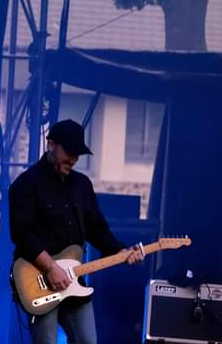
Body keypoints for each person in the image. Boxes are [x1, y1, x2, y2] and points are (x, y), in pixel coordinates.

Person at [9, 119, 145, 344]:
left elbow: (96, 228)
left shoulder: (82, 185)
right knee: (47, 341)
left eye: (77, 154)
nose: (73, 159)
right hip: (39, 279)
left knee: (88, 341)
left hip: (74, 281)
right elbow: (21, 234)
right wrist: (50, 268)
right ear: (51, 145)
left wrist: (121, 250)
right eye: (69, 151)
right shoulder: (26, 184)